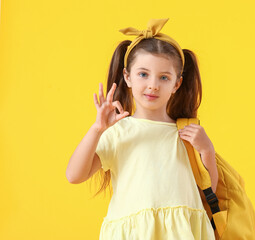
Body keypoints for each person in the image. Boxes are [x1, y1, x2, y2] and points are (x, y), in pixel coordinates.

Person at [66, 18, 218, 240]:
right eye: (143, 74)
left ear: (176, 84)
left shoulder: (186, 133)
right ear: (127, 77)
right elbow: (74, 175)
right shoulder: (119, 131)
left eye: (164, 77)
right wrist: (98, 128)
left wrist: (207, 150)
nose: (153, 85)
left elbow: (207, 193)